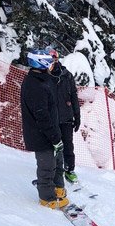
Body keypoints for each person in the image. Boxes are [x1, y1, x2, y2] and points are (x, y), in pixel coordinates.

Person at [20, 49, 69, 209]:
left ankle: (58, 189)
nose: (51, 63)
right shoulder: (34, 85)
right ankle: (47, 198)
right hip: (41, 134)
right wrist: (54, 137)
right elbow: (41, 115)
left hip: (52, 131)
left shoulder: (44, 80)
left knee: (58, 162)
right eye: (48, 61)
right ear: (41, 63)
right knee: (47, 166)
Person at [48, 49, 81, 183]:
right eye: (50, 58)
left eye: (54, 57)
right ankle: (52, 170)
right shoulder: (45, 75)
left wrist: (77, 116)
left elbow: (74, 96)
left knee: (68, 144)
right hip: (51, 118)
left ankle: (69, 169)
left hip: (66, 117)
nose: (53, 60)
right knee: (51, 145)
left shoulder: (67, 75)